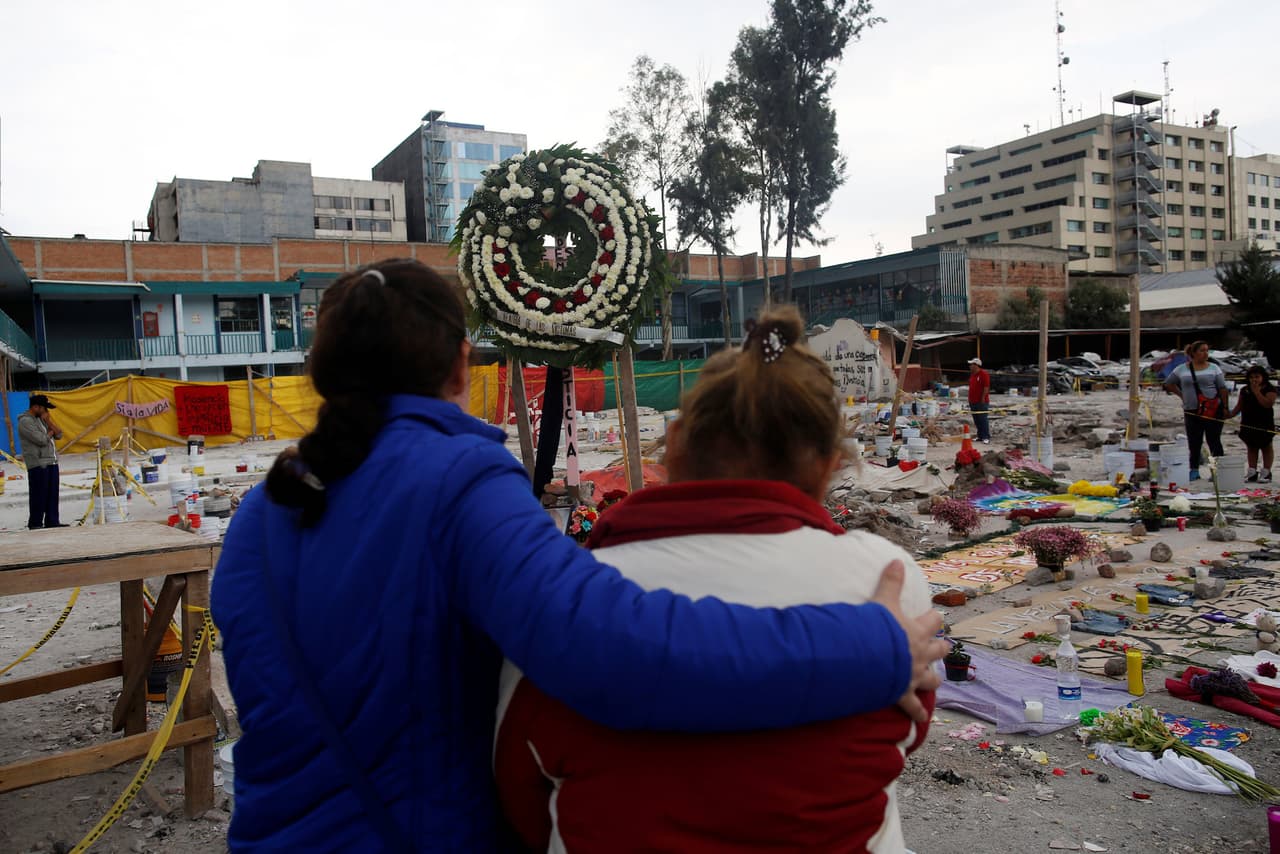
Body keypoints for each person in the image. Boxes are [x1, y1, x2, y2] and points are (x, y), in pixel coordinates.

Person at [210, 259, 947, 852]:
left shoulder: (258, 516)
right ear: (464, 362)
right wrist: (868, 642)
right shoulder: (458, 485)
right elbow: (620, 649)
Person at [495, 306, 935, 853]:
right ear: (831, 465)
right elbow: (904, 739)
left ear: (674, 444)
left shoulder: (573, 598)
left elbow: (522, 789)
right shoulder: (888, 583)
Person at [1164, 341, 1229, 481]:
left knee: (1214, 440)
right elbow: (1169, 383)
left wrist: (1225, 407)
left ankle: (1217, 470)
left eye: (1207, 350)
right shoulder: (1182, 369)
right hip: (1191, 410)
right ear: (1193, 353)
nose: (1205, 353)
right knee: (1194, 441)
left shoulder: (1214, 368)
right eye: (1202, 350)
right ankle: (1194, 469)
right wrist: (1182, 395)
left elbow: (1222, 388)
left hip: (1212, 410)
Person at [17, 393, 66, 529]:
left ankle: (52, 521)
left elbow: (60, 434)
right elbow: (41, 440)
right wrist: (50, 433)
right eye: (44, 408)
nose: (46, 411)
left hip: (51, 461)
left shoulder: (42, 419)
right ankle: (35, 523)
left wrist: (49, 422)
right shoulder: (25, 421)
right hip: (38, 463)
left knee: (52, 494)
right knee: (39, 495)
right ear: (36, 407)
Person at [1232, 365, 1276, 483]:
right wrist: (1229, 414)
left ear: (1263, 377)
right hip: (1248, 422)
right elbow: (1239, 406)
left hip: (1264, 422)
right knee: (1251, 447)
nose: (1254, 380)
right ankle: (1252, 471)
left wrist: (1257, 393)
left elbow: (1267, 404)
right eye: (1251, 377)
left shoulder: (1270, 389)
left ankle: (1266, 472)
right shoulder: (1245, 389)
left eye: (1257, 377)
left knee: (1266, 446)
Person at [967, 356, 991, 443]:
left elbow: (986, 387)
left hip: (981, 401)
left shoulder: (984, 374)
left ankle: (986, 437)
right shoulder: (973, 375)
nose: (969, 366)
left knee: (983, 419)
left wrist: (983, 398)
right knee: (976, 419)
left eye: (971, 364)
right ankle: (980, 436)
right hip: (972, 401)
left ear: (976, 365)